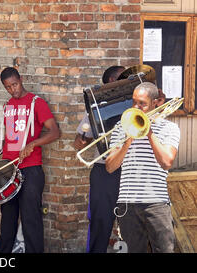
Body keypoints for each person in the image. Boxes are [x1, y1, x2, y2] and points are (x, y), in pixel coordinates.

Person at [0, 67, 60, 253]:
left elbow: (55, 132)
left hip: (31, 169)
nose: (13, 90)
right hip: (8, 170)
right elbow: (5, 143)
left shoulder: (36, 103)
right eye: (8, 87)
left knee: (31, 219)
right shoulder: (7, 106)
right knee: (8, 220)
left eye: (15, 84)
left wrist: (33, 144)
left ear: (21, 80)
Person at [106, 82, 180, 253]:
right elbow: (110, 167)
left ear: (155, 103)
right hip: (127, 203)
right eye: (134, 102)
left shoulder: (170, 128)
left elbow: (166, 162)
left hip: (157, 204)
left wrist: (149, 133)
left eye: (142, 103)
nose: (136, 107)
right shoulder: (120, 128)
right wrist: (127, 140)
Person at [73, 65, 125, 253]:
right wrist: (83, 137)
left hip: (130, 171)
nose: (129, 80)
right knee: (100, 222)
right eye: (123, 76)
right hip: (104, 171)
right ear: (112, 81)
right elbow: (79, 143)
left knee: (130, 225)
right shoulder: (95, 108)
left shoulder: (136, 105)